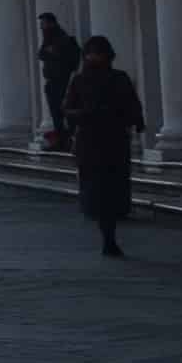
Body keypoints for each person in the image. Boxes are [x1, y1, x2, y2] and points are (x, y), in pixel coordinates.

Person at [66, 34, 145, 258]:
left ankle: (110, 231)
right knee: (98, 189)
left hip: (114, 140)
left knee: (112, 187)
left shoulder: (119, 78)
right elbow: (68, 108)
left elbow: (132, 103)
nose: (96, 58)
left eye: (99, 53)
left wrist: (134, 120)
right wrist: (84, 115)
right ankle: (107, 236)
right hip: (90, 141)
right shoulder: (79, 80)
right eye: (92, 53)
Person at [34, 15, 81, 153]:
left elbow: (69, 59)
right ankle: (62, 140)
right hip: (53, 81)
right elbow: (42, 53)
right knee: (56, 113)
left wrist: (52, 53)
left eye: (43, 24)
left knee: (65, 112)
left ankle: (70, 140)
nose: (41, 27)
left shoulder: (62, 39)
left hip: (62, 81)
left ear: (51, 23)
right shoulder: (49, 39)